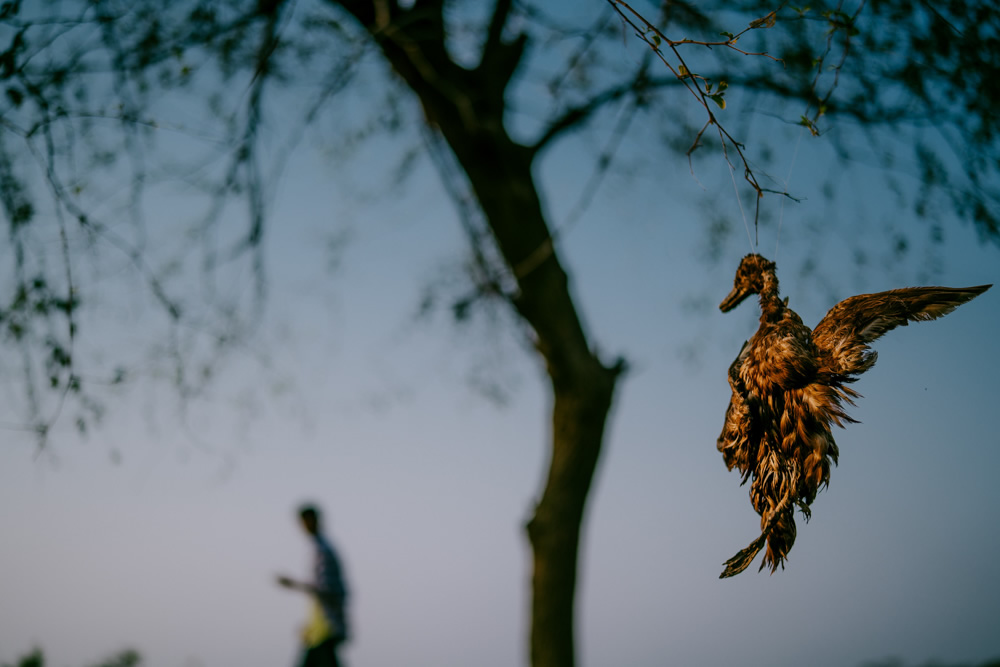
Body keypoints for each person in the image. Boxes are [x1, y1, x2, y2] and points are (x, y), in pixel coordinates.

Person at [277, 504, 350, 667]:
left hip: (326, 627)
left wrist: (293, 584)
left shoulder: (322, 550)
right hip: (319, 628)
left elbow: (324, 588)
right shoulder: (319, 548)